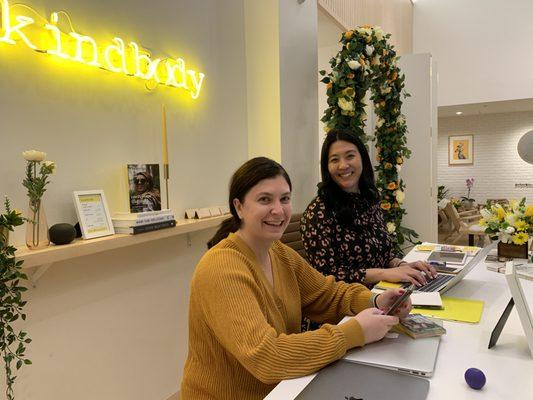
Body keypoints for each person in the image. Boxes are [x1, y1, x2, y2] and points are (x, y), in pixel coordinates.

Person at [180, 157, 411, 400]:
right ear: (239, 207)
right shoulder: (221, 268)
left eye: (285, 199)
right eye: (264, 199)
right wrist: (354, 333)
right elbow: (266, 357)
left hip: (286, 388)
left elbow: (326, 294)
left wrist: (375, 301)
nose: (278, 210)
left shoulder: (279, 252)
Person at [301, 128, 436, 288]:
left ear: (362, 158)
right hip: (350, 303)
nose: (343, 165)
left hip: (385, 291)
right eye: (334, 159)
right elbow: (327, 276)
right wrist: (385, 273)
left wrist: (402, 266)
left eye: (350, 156)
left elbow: (384, 255)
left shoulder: (369, 200)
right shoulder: (318, 212)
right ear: (327, 166)